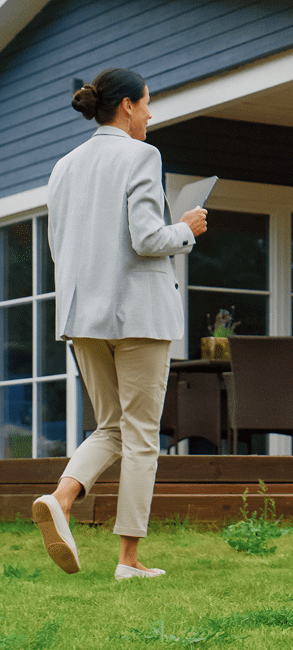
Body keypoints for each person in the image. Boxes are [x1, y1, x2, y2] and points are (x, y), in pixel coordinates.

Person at [33, 68, 208, 580]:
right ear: (128, 106)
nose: (151, 114)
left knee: (110, 426)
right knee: (140, 436)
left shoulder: (64, 166)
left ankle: (62, 499)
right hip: (137, 315)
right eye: (148, 104)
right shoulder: (142, 155)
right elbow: (147, 238)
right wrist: (187, 228)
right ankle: (129, 560)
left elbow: (58, 247)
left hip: (82, 316)